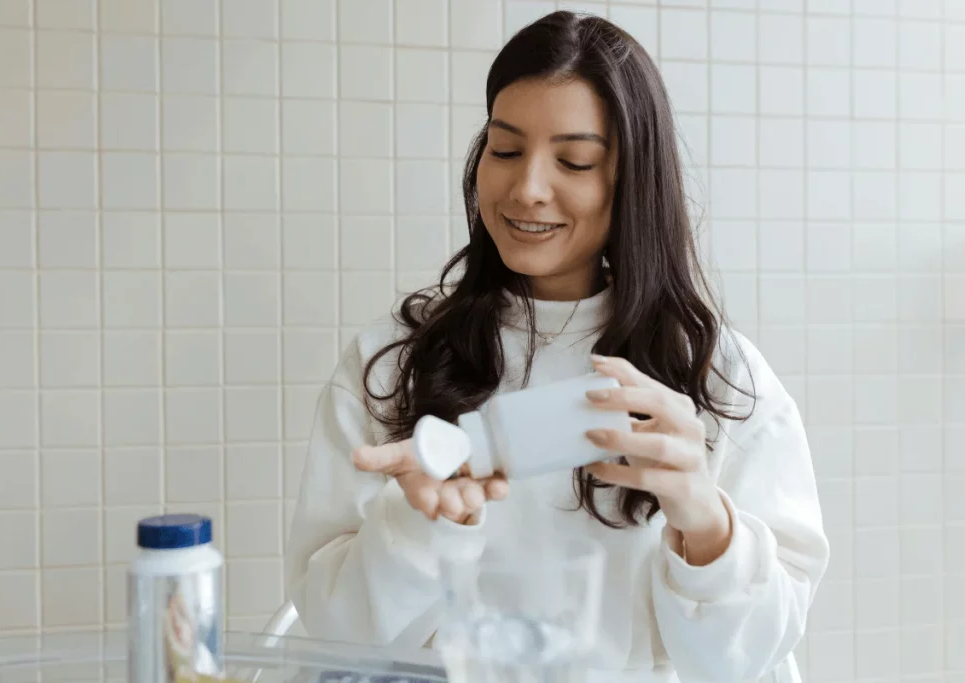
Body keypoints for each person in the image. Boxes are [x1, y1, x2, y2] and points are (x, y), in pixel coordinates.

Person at [285, 10, 829, 683]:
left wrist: (706, 522)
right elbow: (335, 638)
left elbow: (748, 659)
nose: (527, 189)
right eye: (505, 150)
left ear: (631, 180)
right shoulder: (397, 361)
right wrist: (414, 528)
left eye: (574, 161)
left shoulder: (716, 376)